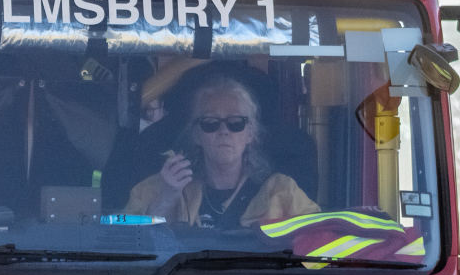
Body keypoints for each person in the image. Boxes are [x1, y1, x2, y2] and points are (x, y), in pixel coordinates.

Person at [124, 71, 319, 227]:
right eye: (210, 123)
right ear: (196, 135)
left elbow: (319, 241)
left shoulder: (283, 192)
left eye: (236, 123)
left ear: (250, 133)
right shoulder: (158, 186)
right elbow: (122, 244)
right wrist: (167, 197)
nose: (224, 131)